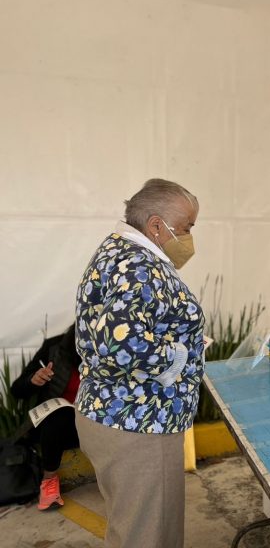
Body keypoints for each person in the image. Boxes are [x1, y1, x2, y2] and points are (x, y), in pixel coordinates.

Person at [73, 178, 204, 547]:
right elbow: (121, 340)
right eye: (187, 228)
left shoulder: (121, 253)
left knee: (144, 529)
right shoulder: (137, 265)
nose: (190, 237)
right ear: (156, 225)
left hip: (125, 415)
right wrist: (178, 357)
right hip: (137, 422)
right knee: (145, 537)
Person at [10, 324, 80, 510]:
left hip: (94, 422)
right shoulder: (54, 347)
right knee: (60, 414)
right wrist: (33, 379)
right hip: (61, 427)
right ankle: (49, 480)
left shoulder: (112, 351)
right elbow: (17, 389)